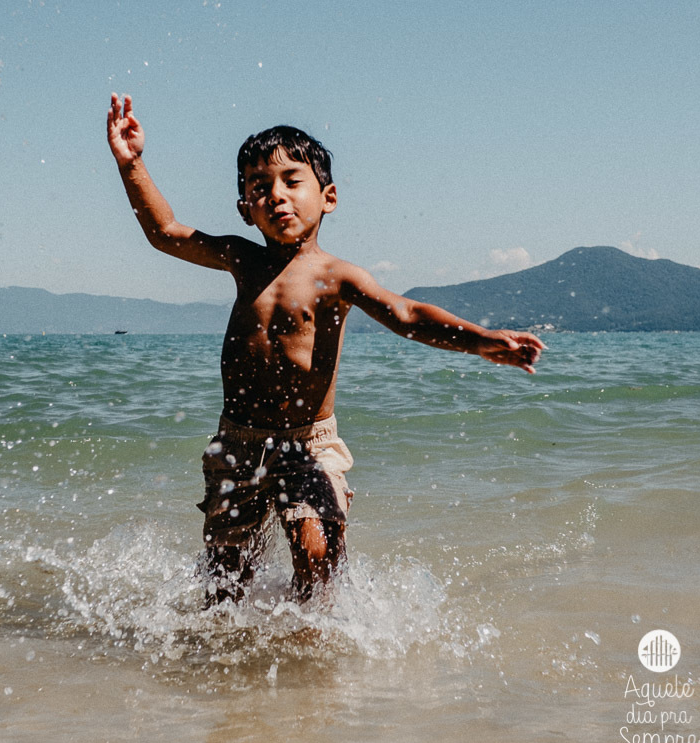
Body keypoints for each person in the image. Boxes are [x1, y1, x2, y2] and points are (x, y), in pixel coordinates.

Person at [106, 93, 546, 605]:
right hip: (237, 442)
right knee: (224, 582)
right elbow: (165, 233)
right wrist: (131, 163)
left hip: (309, 445)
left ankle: (316, 645)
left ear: (328, 197)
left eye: (292, 181)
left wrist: (481, 341)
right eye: (259, 187)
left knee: (317, 556)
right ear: (245, 209)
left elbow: (405, 314)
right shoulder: (241, 259)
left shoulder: (337, 277)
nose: (276, 195)